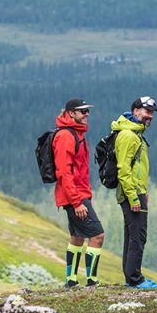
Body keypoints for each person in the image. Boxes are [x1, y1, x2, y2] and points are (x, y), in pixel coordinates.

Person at [53, 98, 105, 288]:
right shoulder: (66, 136)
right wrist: (77, 202)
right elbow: (63, 172)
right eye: (82, 111)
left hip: (77, 194)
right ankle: (92, 282)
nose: (86, 114)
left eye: (87, 111)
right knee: (98, 235)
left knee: (77, 237)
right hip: (74, 196)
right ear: (71, 113)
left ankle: (71, 281)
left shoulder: (75, 133)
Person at [111, 96, 157, 289]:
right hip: (131, 193)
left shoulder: (136, 133)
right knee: (138, 236)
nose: (150, 116)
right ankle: (135, 279)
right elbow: (123, 170)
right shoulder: (128, 135)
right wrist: (133, 197)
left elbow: (137, 168)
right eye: (147, 112)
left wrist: (143, 192)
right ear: (135, 111)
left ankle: (131, 277)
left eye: (152, 113)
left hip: (138, 192)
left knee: (133, 235)